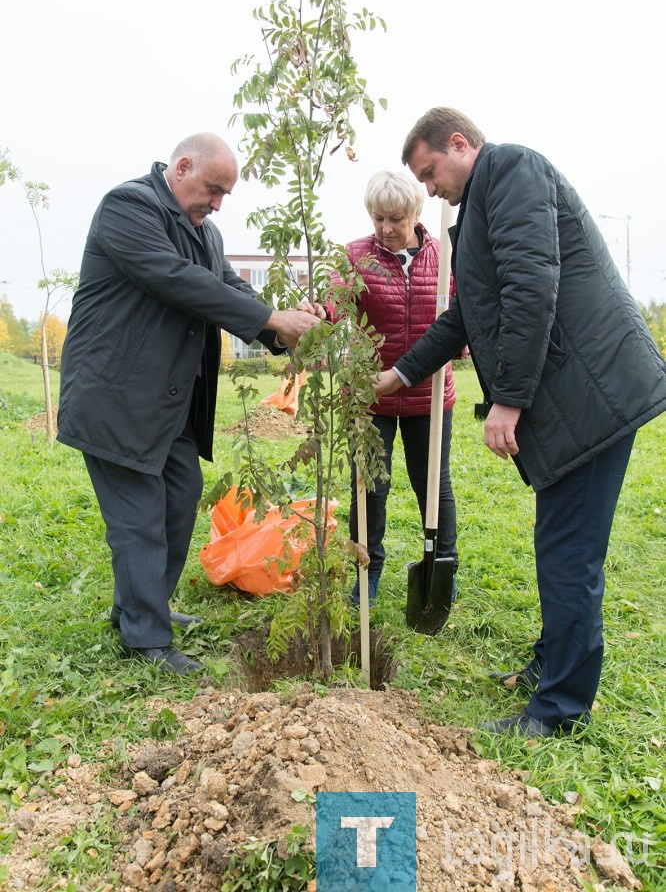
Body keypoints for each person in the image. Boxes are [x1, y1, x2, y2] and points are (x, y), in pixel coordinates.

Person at [375, 108, 666, 736]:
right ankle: (549, 667)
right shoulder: (483, 201)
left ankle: (559, 709)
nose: (429, 190)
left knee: (569, 552)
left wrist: (506, 399)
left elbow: (533, 286)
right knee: (559, 541)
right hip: (577, 396)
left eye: (430, 172)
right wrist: (400, 373)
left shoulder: (512, 169)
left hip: (593, 397)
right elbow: (463, 318)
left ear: (460, 144)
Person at [57, 133, 320, 675]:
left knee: (181, 496)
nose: (218, 203)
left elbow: (227, 289)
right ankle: (146, 641)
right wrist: (272, 320)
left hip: (168, 403)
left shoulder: (206, 233)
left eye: (225, 194)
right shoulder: (128, 208)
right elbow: (176, 281)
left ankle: (140, 606)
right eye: (213, 189)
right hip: (116, 396)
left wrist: (283, 327)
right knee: (138, 518)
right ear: (180, 167)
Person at [328, 170, 459, 606]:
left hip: (429, 397)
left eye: (396, 218)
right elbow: (336, 302)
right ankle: (367, 573)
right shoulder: (356, 256)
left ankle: (442, 567)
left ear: (416, 214)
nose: (385, 228)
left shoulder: (445, 257)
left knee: (433, 487)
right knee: (368, 489)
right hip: (371, 398)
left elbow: (462, 317)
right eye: (378, 218)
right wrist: (318, 312)